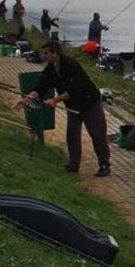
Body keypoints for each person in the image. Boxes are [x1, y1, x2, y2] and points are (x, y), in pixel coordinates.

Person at [13, 40, 111, 177]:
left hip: (90, 103)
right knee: (72, 135)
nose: (44, 56)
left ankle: (104, 164)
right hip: (73, 107)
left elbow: (75, 89)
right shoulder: (50, 69)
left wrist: (55, 100)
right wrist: (26, 99)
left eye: (47, 53)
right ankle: (74, 164)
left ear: (55, 53)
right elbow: (41, 87)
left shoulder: (71, 65)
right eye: (44, 53)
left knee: (97, 134)